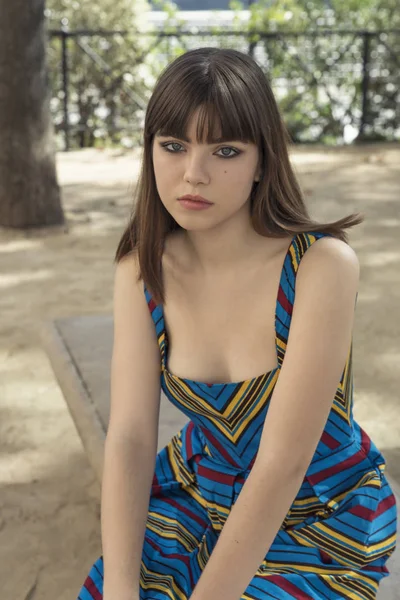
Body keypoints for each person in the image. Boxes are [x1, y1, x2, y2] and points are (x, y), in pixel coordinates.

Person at [77, 47, 397, 600]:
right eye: (173, 146)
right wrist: (123, 592)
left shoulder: (320, 266)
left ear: (262, 161)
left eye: (225, 150)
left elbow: (283, 462)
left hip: (317, 516)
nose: (193, 174)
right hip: (196, 497)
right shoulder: (142, 267)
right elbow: (130, 437)